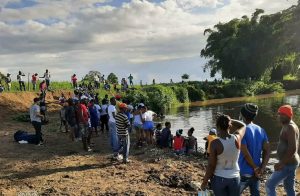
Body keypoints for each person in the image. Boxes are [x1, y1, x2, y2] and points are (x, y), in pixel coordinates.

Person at [201, 114, 246, 196]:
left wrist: (204, 182)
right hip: (235, 178)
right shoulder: (237, 138)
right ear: (230, 125)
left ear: (217, 126)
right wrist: (229, 120)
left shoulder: (215, 143)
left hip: (219, 178)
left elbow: (211, 166)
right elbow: (243, 125)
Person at [266, 105, 299, 196]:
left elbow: (293, 148)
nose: (280, 116)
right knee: (288, 186)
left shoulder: (290, 127)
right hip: (291, 162)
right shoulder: (287, 125)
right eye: (279, 114)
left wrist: (282, 163)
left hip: (288, 163)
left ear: (289, 115)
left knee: (269, 185)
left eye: (283, 114)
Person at [239, 103, 270, 196]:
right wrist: (262, 168)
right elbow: (267, 150)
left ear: (242, 115)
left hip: (244, 172)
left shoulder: (241, 130)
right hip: (257, 172)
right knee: (255, 193)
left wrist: (255, 167)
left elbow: (245, 152)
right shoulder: (261, 130)